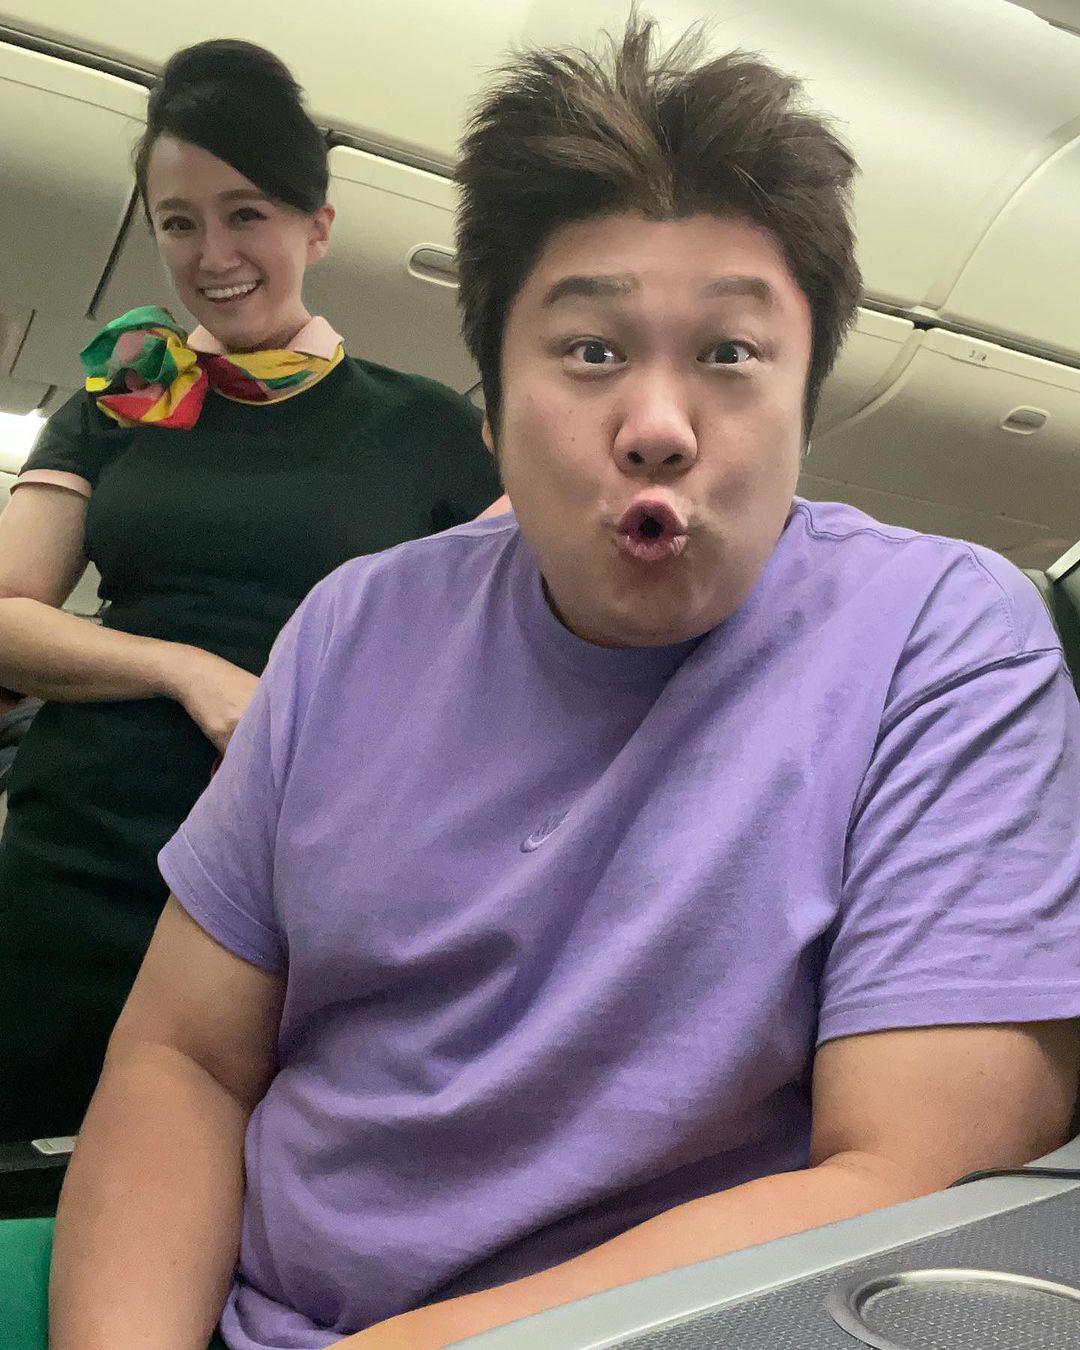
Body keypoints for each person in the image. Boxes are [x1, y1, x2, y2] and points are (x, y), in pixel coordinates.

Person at [35, 16, 1080, 1350]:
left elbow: (907, 1185)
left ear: (805, 404)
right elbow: (185, 1056)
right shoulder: (353, 628)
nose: (658, 424)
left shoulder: (941, 640)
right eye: (591, 351)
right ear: (491, 408)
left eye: (730, 353)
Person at [0, 39, 503, 1144]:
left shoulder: (425, 428)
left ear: (317, 225)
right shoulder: (121, 395)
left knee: (209, 1178)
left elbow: (509, 646)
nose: (213, 255)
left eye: (247, 215)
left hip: (282, 886)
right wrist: (188, 672)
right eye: (179, 222)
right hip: (72, 862)